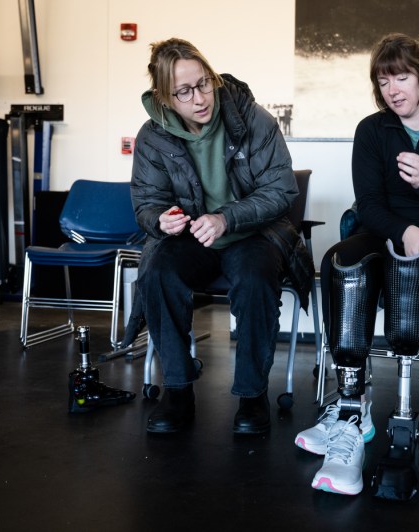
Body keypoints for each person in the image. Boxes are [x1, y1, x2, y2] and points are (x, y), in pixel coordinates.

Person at [294, 33, 419, 497]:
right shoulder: (372, 130)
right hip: (387, 234)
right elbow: (369, 205)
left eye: (401, 77)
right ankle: (351, 404)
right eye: (383, 81)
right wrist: (404, 232)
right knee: (341, 260)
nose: (393, 90)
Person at [130, 37, 313, 435]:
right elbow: (146, 201)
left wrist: (226, 218)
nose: (199, 97)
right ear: (164, 97)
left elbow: (281, 190)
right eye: (184, 91)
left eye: (204, 83)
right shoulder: (152, 138)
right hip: (193, 239)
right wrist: (161, 220)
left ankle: (252, 396)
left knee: (253, 279)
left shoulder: (252, 118)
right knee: (158, 273)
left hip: (251, 234)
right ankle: (177, 391)